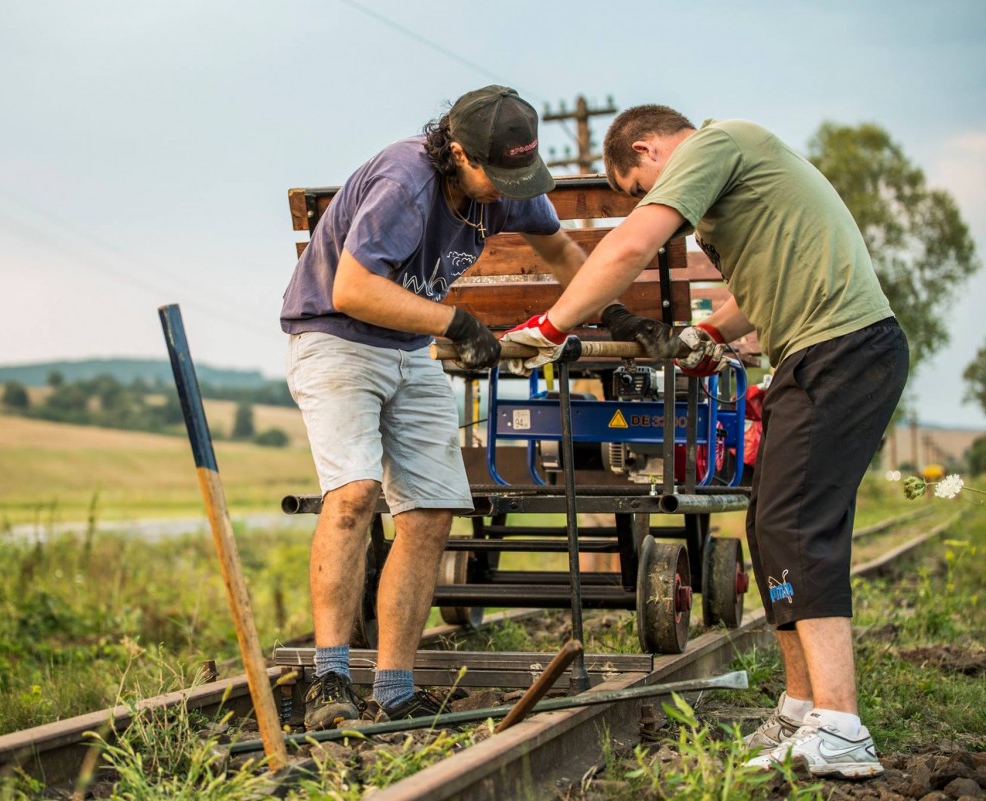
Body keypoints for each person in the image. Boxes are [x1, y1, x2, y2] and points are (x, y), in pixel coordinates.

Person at [501, 105, 908, 779]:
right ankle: (802, 707)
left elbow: (630, 245)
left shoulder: (716, 144)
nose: (652, 201)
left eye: (638, 188)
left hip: (842, 349)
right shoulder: (736, 187)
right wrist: (710, 334)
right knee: (769, 526)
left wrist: (552, 325)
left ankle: (842, 725)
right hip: (816, 353)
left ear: (647, 149)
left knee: (799, 524)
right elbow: (758, 294)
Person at [280, 86, 586, 729]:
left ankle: (394, 690)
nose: (508, 192)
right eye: (496, 177)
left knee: (429, 512)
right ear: (458, 154)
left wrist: (611, 310)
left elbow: (560, 251)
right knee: (355, 495)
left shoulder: (506, 178)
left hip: (408, 348)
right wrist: (458, 323)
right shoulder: (405, 182)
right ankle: (328, 680)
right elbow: (353, 289)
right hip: (336, 339)